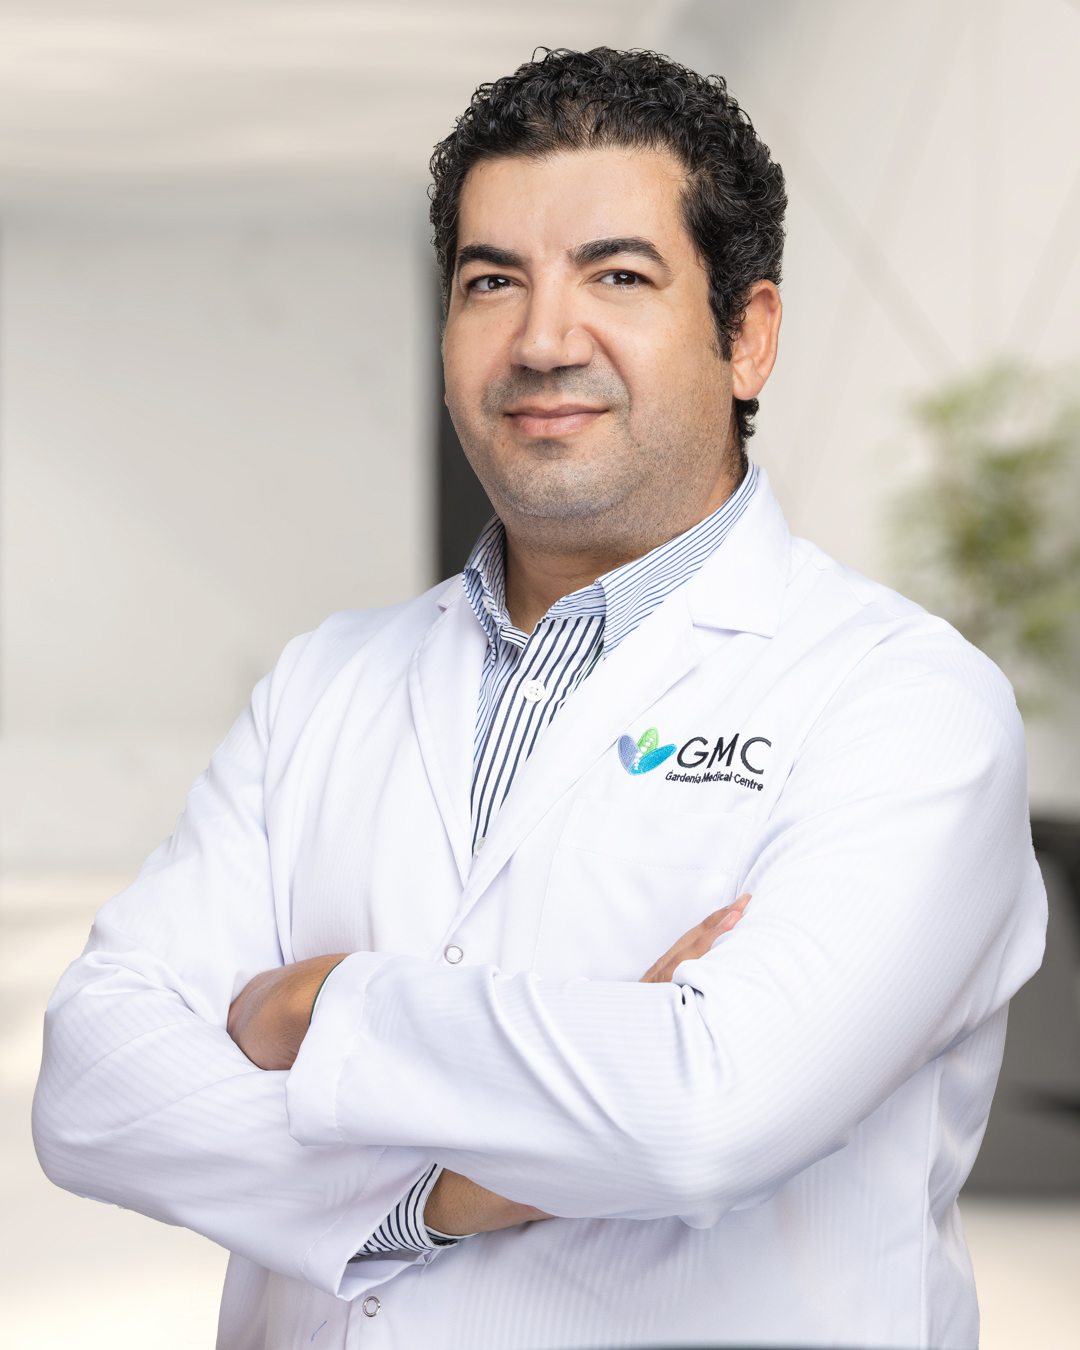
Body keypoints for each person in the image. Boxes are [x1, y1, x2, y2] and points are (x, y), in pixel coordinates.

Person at [34, 47, 1045, 1350]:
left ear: (748, 336)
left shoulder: (904, 703)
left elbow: (703, 1113)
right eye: (491, 281)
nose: (543, 341)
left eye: (618, 276)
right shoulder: (324, 682)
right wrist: (446, 1194)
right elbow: (96, 1081)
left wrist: (322, 1002)